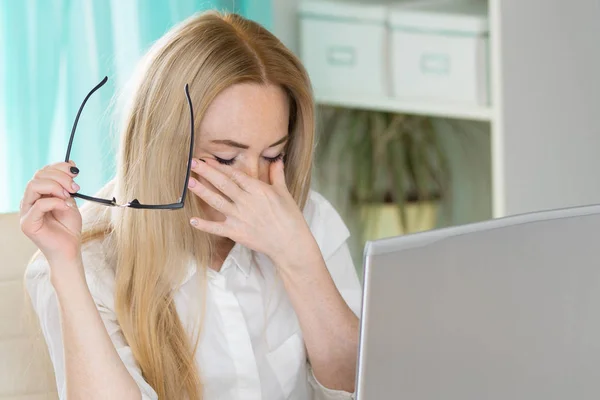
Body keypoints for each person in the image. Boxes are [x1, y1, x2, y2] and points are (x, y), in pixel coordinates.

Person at [21, 10, 361, 400]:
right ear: (164, 147)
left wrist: (299, 261)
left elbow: (363, 386)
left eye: (272, 155)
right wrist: (64, 267)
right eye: (226, 159)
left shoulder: (307, 218)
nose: (253, 186)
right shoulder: (85, 263)